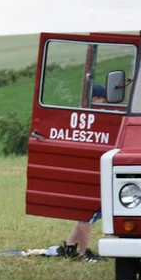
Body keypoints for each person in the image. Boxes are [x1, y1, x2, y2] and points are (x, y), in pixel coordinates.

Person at [53, 84, 107, 262]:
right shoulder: (82, 119)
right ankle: (84, 253)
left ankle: (70, 246)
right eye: (95, 99)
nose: (99, 102)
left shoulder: (104, 118)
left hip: (97, 170)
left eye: (102, 99)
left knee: (92, 213)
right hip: (85, 171)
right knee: (86, 212)